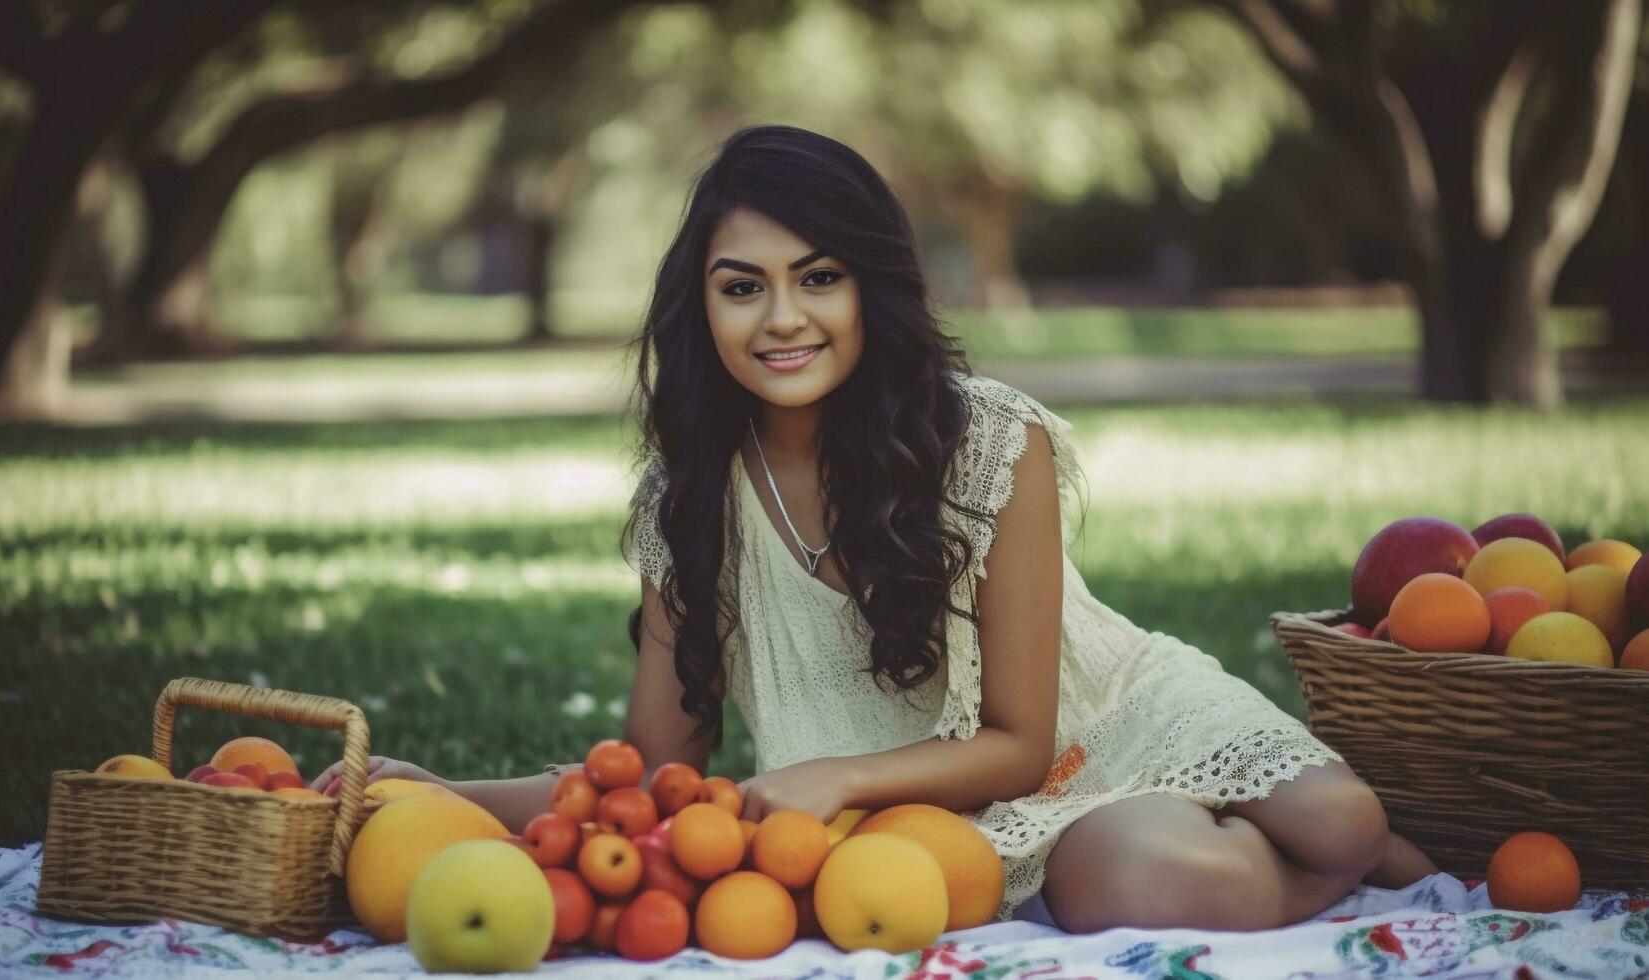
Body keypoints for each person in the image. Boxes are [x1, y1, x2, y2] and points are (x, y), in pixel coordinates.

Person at [312, 124, 1436, 932]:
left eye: (818, 277)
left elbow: (1021, 740)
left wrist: (838, 774)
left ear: (871, 288)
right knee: (1120, 883)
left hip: (1109, 721)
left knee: (1338, 817)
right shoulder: (686, 500)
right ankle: (1262, 865)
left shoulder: (990, 443)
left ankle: (1327, 854)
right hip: (942, 821)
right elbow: (652, 774)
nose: (783, 316)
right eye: (742, 286)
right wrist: (433, 789)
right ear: (699, 308)